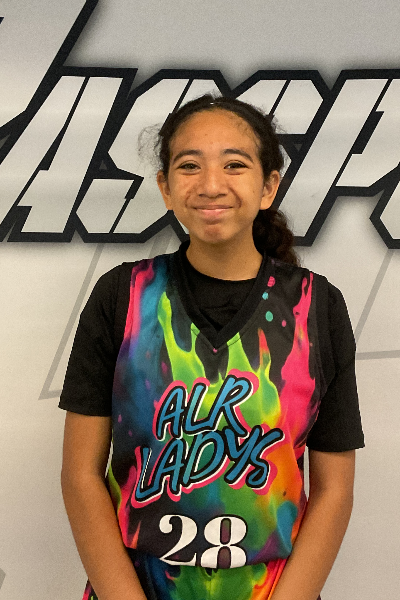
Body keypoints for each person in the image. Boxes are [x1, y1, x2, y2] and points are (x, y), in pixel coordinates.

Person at [60, 94, 364, 600]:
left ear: (269, 186)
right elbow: (80, 476)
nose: (211, 184)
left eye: (234, 165)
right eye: (189, 166)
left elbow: (334, 490)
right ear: (165, 187)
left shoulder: (317, 306)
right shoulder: (123, 297)